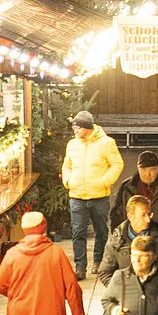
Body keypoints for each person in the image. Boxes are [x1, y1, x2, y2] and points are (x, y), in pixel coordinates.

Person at [63, 109, 127, 280]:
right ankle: (80, 267)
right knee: (78, 232)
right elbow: (67, 165)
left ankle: (98, 261)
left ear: (86, 127)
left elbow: (117, 164)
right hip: (76, 195)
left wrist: (105, 181)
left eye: (77, 128)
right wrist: (68, 181)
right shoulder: (72, 145)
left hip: (99, 196)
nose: (74, 131)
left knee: (101, 231)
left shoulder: (106, 143)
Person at [99, 191, 158, 282]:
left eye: (149, 214)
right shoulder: (116, 240)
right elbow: (105, 272)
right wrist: (120, 290)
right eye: (143, 215)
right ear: (130, 216)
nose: (148, 219)